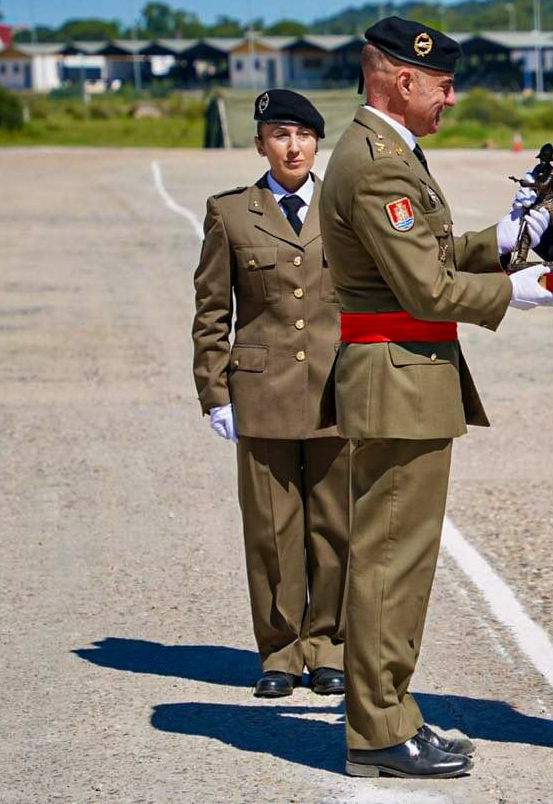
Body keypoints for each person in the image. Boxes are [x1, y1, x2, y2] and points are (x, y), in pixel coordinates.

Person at [316, 16, 553, 779]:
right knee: (392, 558)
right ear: (401, 79)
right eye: (443, 83)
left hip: (403, 377)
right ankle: (379, 730)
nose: (451, 97)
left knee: (399, 556)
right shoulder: (378, 161)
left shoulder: (385, 151)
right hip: (397, 378)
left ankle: (390, 713)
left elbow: (431, 250)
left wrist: (502, 237)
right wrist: (519, 290)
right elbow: (426, 285)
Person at [191, 89, 349, 699]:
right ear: (260, 143)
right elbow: (211, 312)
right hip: (261, 395)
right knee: (272, 532)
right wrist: (215, 392)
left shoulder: (342, 207)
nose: (293, 146)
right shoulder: (230, 213)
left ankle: (330, 645)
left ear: (317, 142)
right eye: (280, 135)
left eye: (304, 136)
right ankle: (281, 651)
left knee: (337, 528)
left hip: (336, 390)